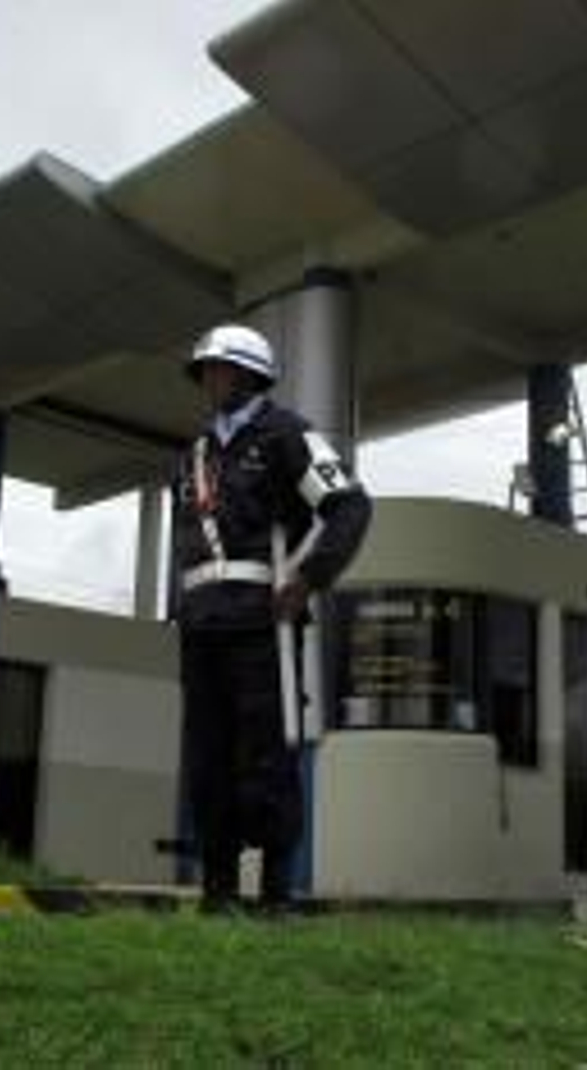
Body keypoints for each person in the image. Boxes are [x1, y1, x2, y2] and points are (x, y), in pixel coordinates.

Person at [170, 323, 372, 913]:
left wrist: (309, 579)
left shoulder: (287, 436)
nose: (210, 379)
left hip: (262, 624)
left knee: (267, 755)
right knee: (207, 757)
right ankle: (218, 891)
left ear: (251, 374)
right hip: (201, 626)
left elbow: (350, 507)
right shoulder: (196, 452)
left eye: (220, 368)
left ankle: (276, 895)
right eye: (204, 369)